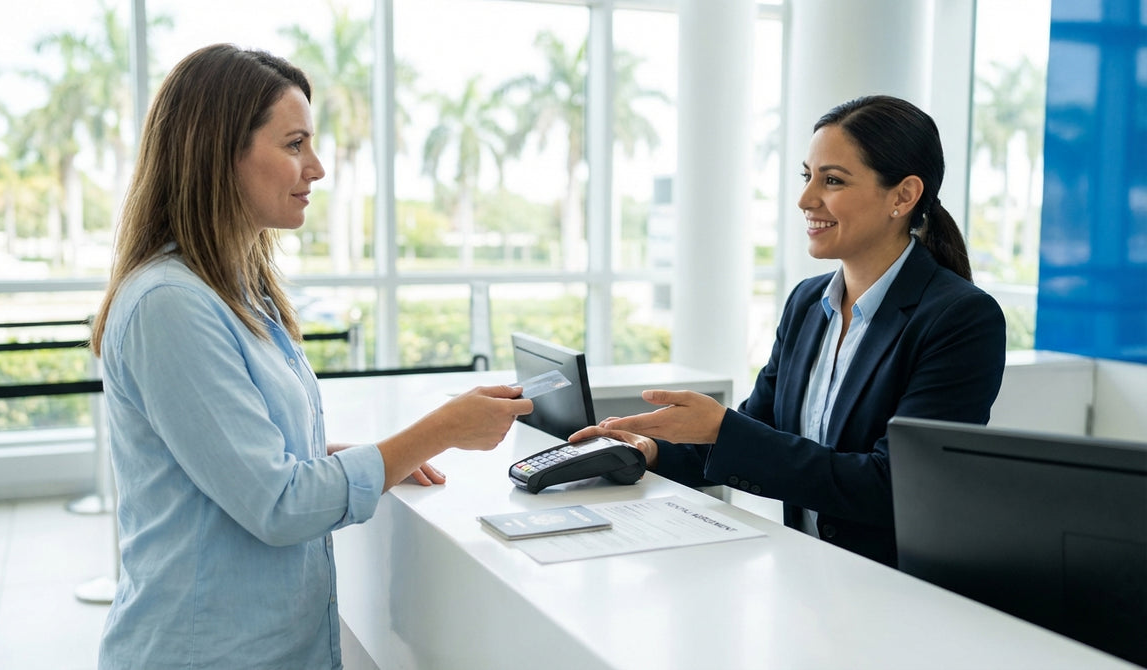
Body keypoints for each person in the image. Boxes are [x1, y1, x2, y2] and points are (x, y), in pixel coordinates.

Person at [88, 44, 532, 669]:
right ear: (221, 154)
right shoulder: (171, 305)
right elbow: (276, 503)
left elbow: (233, 456)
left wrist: (354, 459)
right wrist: (440, 432)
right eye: (294, 145)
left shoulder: (241, 290)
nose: (317, 168)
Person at [571, 95, 1006, 567]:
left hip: (896, 590)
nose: (805, 199)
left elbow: (894, 487)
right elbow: (759, 431)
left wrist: (724, 429)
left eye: (833, 180)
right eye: (808, 177)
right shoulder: (807, 302)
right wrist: (648, 450)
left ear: (902, 196)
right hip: (807, 573)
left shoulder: (961, 318)